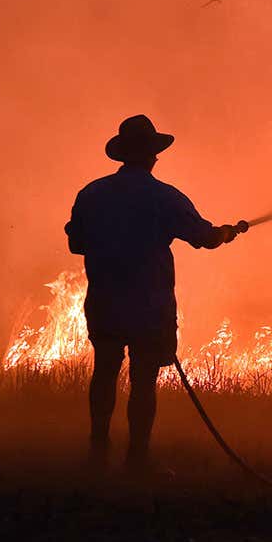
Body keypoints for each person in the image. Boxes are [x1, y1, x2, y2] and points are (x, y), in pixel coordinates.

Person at [65, 114, 247, 471]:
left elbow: (76, 244)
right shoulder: (164, 198)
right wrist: (227, 232)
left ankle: (98, 450)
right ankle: (137, 457)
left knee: (104, 372)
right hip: (149, 305)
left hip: (104, 300)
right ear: (151, 156)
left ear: (122, 155)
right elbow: (204, 238)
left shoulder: (91, 194)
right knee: (144, 381)